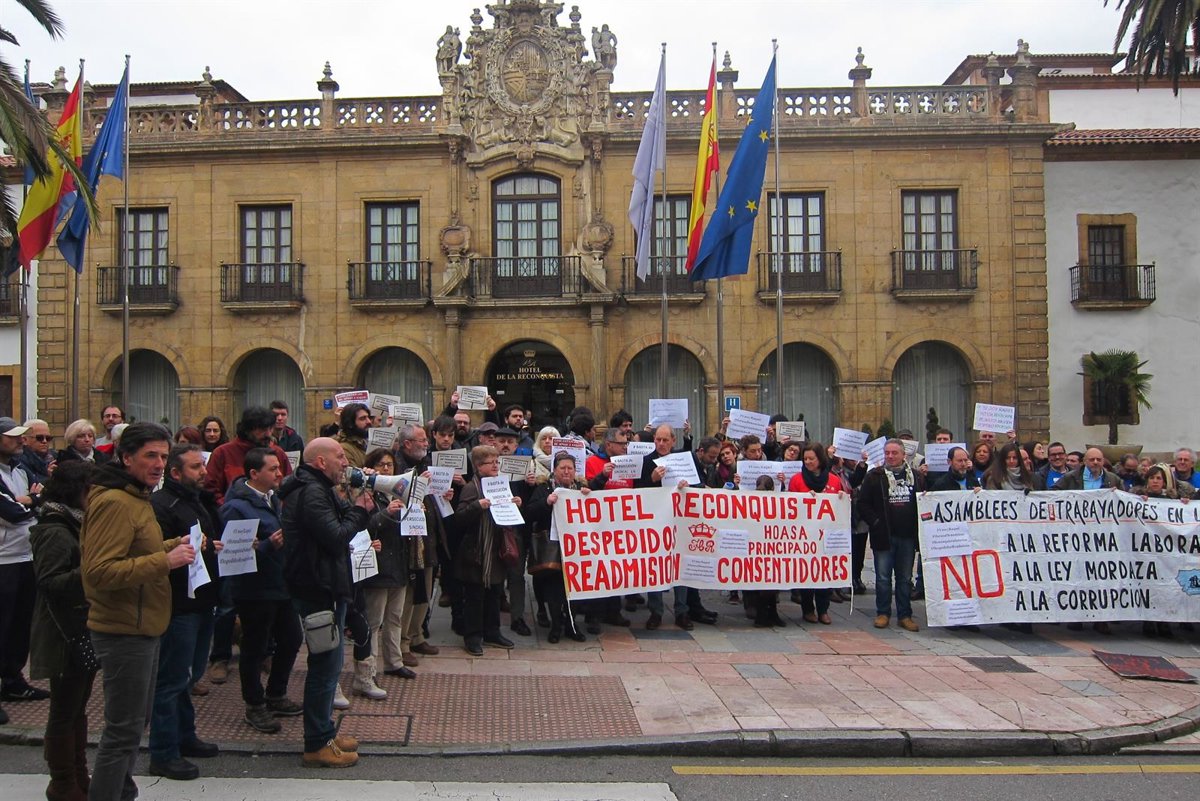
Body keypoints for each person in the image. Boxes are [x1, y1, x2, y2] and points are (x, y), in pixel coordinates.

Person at [81, 422, 196, 801]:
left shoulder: (137, 496)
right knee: (122, 731)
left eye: (163, 456)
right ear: (126, 457)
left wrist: (173, 544)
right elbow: (99, 572)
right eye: (150, 455)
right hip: (122, 629)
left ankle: (122, 792)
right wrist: (165, 561)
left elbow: (136, 550)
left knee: (133, 726)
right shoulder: (115, 502)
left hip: (144, 625)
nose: (159, 464)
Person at [281, 437, 374, 768]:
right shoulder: (312, 493)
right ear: (320, 462)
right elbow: (336, 537)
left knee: (330, 665)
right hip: (319, 587)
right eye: (339, 457)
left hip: (325, 584)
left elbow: (341, 522)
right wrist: (360, 510)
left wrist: (356, 504)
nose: (345, 463)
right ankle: (317, 743)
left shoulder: (319, 489)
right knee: (325, 667)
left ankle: (324, 732)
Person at [148, 444, 224, 781]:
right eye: (196, 467)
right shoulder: (162, 505)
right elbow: (160, 552)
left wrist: (211, 547)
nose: (203, 472)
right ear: (176, 473)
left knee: (189, 676)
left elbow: (199, 541)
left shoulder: (195, 500)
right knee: (172, 679)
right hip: (179, 604)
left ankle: (185, 735)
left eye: (202, 466)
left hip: (203, 599)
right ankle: (164, 752)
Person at [220, 447, 303, 735]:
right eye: (273, 469)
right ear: (254, 473)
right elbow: (232, 554)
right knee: (255, 647)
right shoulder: (236, 507)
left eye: (279, 468)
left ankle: (276, 693)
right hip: (254, 590)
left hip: (281, 584)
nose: (279, 473)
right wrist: (268, 545)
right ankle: (254, 704)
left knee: (292, 638)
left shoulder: (274, 499)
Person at [29, 461, 96, 801]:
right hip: (62, 630)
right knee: (65, 709)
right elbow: (51, 582)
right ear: (77, 490)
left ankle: (77, 773)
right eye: (91, 490)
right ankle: (62, 781)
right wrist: (94, 570)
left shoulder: (76, 522)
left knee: (77, 706)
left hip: (79, 626)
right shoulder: (55, 529)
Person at [0, 416, 49, 714]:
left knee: (21, 624)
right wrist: (31, 500)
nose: (20, 440)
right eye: (12, 436)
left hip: (26, 555)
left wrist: (29, 499)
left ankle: (12, 679)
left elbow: (41, 498)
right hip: (3, 560)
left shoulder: (20, 469)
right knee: (3, 624)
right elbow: (11, 513)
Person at [454, 445, 520, 656]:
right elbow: (460, 518)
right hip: (476, 550)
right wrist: (477, 506)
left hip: (496, 549)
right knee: (475, 596)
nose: (495, 466)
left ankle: (493, 632)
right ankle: (473, 636)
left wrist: (515, 503)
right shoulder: (471, 488)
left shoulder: (501, 484)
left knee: (494, 593)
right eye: (490, 462)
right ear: (478, 466)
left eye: (496, 462)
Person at [858, 439, 925, 632]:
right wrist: (876, 522)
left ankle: (905, 615)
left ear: (904, 455)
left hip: (907, 536)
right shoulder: (875, 476)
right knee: (883, 578)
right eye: (887, 453)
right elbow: (863, 504)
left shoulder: (916, 476)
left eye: (894, 453)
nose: (890, 456)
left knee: (904, 578)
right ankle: (883, 613)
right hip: (884, 536)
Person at [362, 448, 416, 683]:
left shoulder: (398, 494)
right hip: (378, 567)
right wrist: (386, 513)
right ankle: (369, 669)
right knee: (374, 622)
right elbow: (363, 525)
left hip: (398, 565)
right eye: (381, 465)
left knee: (395, 617)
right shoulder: (366, 495)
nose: (386, 469)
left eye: (390, 465)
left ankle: (394, 662)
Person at [526, 452, 589, 643]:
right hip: (552, 548)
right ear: (555, 470)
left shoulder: (582, 489)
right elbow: (530, 512)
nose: (566, 472)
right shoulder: (544, 488)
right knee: (554, 588)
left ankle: (571, 624)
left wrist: (589, 497)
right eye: (563, 468)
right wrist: (547, 503)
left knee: (574, 588)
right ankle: (555, 626)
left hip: (576, 548)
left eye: (570, 468)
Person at [786, 442, 845, 626]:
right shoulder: (797, 480)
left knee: (824, 572)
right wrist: (803, 500)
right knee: (807, 572)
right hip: (805, 535)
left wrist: (841, 498)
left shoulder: (833, 480)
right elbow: (789, 506)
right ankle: (808, 609)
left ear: (820, 459)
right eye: (805, 459)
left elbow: (841, 504)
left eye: (811, 458)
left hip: (826, 534)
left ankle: (823, 610)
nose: (808, 462)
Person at [1132, 464, 1194, 638]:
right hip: (1146, 552)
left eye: (1159, 478)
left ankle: (1164, 621)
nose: (1155, 481)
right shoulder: (1137, 498)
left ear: (1164, 482)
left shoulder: (1172, 501)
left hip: (1166, 555)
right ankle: (1148, 622)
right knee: (1148, 586)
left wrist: (1185, 505)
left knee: (1166, 587)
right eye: (1152, 478)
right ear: (1147, 481)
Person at [1053, 447, 1121, 491]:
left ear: (1103, 461)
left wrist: (1117, 493)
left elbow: (1124, 497)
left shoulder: (1113, 479)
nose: (1095, 462)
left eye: (1099, 460)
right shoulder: (1070, 477)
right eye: (1092, 459)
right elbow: (1052, 493)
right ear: (1084, 461)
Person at [18, 418, 57, 486]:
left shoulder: (55, 457)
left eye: (48, 438)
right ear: (25, 440)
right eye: (39, 438)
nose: (44, 441)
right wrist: (50, 477)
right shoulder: (19, 461)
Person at [335, 403, 372, 469]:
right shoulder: (344, 449)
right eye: (362, 418)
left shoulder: (365, 443)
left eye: (368, 417)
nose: (369, 421)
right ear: (350, 424)